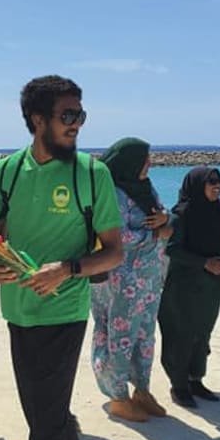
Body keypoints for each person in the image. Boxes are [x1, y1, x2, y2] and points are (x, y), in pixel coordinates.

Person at [0, 75, 122, 440]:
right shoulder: (3, 174)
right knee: (48, 411)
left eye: (80, 115)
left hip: (65, 312)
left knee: (42, 425)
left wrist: (66, 269)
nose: (77, 124)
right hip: (17, 311)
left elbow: (113, 252)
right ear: (37, 120)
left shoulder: (92, 174)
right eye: (68, 115)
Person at [89, 137, 170, 421]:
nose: (150, 164)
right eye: (144, 159)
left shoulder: (145, 187)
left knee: (145, 333)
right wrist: (154, 233)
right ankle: (118, 396)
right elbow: (116, 235)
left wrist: (165, 220)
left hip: (147, 279)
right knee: (118, 335)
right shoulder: (112, 192)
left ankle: (142, 390)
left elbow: (160, 215)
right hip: (119, 280)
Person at [157, 167, 220, 407]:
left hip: (211, 284)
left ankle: (195, 379)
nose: (217, 186)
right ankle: (179, 385)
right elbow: (172, 249)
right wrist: (204, 263)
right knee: (181, 333)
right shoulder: (182, 214)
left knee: (203, 331)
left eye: (219, 181)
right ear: (198, 185)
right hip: (183, 283)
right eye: (211, 182)